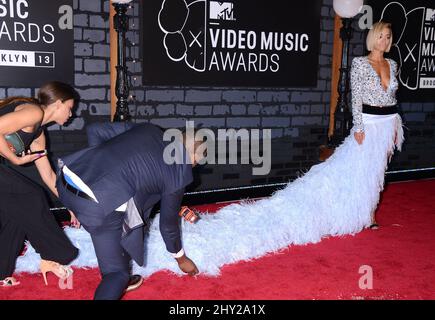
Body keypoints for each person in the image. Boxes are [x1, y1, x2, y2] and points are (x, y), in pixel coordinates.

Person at [55, 122, 201, 300]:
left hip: (66, 179)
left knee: (116, 236)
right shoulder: (180, 170)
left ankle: (115, 266)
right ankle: (116, 274)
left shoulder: (149, 129)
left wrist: (96, 171)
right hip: (96, 204)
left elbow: (96, 129)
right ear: (195, 158)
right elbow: (168, 226)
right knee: (117, 274)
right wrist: (181, 259)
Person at [0, 81, 79, 287]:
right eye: (70, 108)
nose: (71, 114)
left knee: (16, 214)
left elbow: (49, 177)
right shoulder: (33, 112)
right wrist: (15, 159)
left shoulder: (38, 134)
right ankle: (52, 254)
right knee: (31, 196)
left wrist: (70, 205)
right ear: (58, 104)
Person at [350, 21, 402, 229]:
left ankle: (370, 214)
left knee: (379, 170)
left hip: (389, 122)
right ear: (373, 37)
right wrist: (359, 127)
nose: (385, 40)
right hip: (369, 122)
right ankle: (357, 210)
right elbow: (356, 97)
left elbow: (392, 97)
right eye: (381, 35)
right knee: (364, 170)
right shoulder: (360, 63)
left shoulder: (392, 64)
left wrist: (396, 127)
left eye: (388, 36)